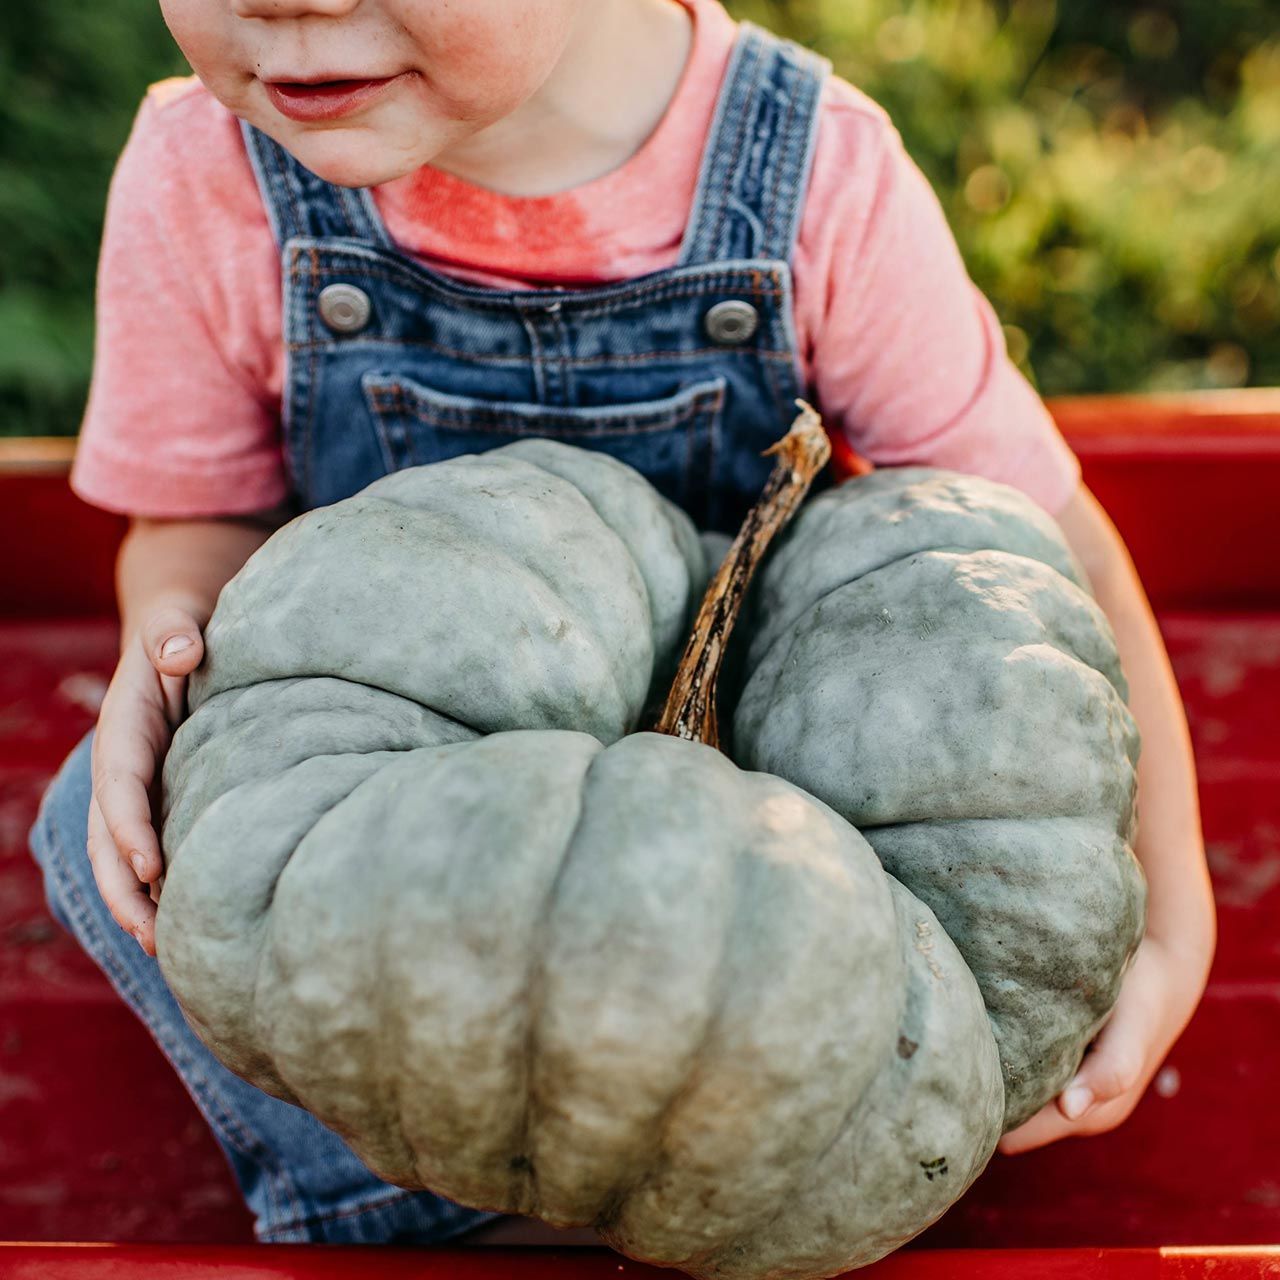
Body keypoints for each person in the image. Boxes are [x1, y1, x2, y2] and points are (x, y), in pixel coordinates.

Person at [30, 0, 1215, 1249]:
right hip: (415, 807)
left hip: (776, 823)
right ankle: (417, 1201)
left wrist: (1173, 906)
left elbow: (1034, 560)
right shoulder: (205, 170)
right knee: (101, 818)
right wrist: (164, 634)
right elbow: (193, 522)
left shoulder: (809, 168)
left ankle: (649, 1170)